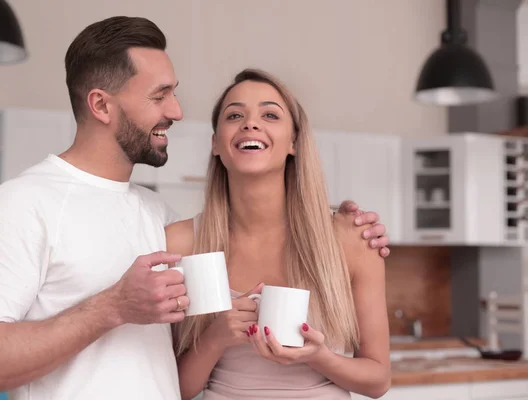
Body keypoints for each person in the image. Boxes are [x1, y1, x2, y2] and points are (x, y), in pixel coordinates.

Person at [0, 16, 389, 400]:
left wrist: (346, 224)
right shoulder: (20, 205)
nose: (176, 111)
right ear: (101, 104)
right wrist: (111, 307)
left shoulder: (156, 216)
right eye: (160, 96)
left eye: (173, 94)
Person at [167, 69, 390, 400]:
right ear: (216, 144)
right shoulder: (182, 243)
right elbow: (176, 391)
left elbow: (378, 380)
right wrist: (215, 337)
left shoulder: (350, 240)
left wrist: (318, 356)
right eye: (235, 115)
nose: (250, 123)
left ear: (293, 142)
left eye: (270, 114)